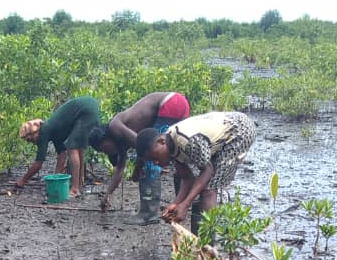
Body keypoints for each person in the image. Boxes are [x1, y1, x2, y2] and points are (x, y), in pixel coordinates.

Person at [135, 111, 257, 228]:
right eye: (152, 161)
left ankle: (207, 243)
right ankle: (198, 241)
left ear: (161, 142)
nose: (156, 163)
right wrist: (176, 203)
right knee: (203, 187)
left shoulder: (187, 142)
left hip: (239, 131)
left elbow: (207, 170)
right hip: (227, 126)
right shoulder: (169, 144)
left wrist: (186, 204)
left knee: (208, 190)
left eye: (155, 158)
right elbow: (187, 178)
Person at [89, 92, 190, 223]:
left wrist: (138, 166)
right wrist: (107, 194)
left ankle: (148, 214)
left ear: (105, 137)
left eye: (103, 148)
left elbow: (143, 145)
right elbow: (120, 169)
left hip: (170, 104)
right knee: (177, 154)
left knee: (151, 159)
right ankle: (179, 206)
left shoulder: (115, 125)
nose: (106, 152)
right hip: (176, 103)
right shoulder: (120, 143)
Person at [16, 96, 100, 197]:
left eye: (30, 139)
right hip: (90, 106)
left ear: (35, 132)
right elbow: (61, 156)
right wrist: (55, 181)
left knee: (72, 147)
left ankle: (74, 189)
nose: (31, 142)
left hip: (85, 110)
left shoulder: (43, 132)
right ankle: (78, 185)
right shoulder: (52, 130)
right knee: (77, 148)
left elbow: (38, 163)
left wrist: (22, 180)